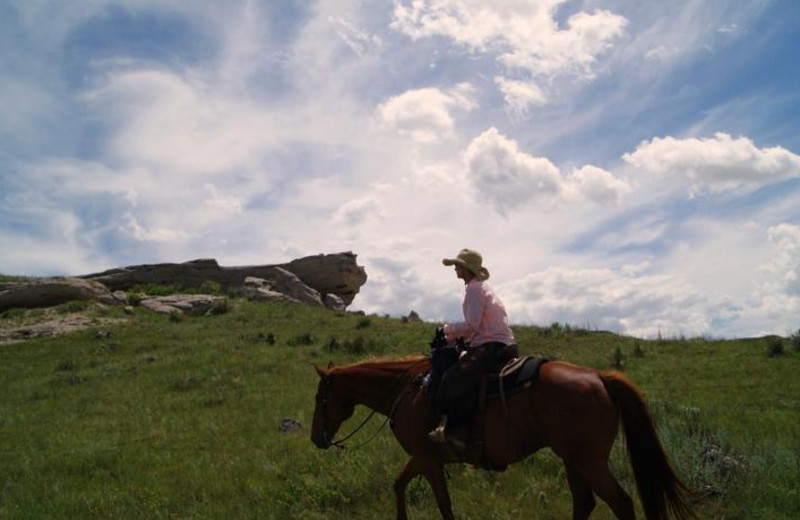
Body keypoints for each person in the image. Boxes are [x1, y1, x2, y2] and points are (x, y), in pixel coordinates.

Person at [429, 248, 516, 443]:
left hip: (491, 343)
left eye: (457, 265)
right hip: (495, 340)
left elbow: (471, 326)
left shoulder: (475, 289)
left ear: (466, 268)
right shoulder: (480, 287)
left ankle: (456, 431)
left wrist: (446, 330)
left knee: (451, 378)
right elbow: (476, 327)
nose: (455, 269)